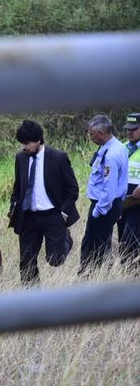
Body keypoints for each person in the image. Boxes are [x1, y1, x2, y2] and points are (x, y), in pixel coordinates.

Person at [8, 120, 79, 284]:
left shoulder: (58, 158)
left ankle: (65, 239)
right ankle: (31, 298)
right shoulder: (21, 158)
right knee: (26, 261)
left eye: (27, 143)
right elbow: (18, 186)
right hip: (29, 217)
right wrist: (13, 207)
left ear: (38, 140)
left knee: (56, 260)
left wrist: (64, 212)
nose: (23, 147)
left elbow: (72, 189)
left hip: (54, 215)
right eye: (22, 143)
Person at [79, 115, 129, 272]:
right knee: (98, 241)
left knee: (95, 243)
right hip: (110, 204)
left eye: (92, 134)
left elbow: (109, 187)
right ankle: (91, 271)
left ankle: (92, 275)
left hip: (104, 205)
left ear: (100, 133)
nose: (90, 138)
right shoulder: (116, 146)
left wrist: (98, 210)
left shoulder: (111, 156)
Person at [118, 113, 140, 262]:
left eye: (134, 129)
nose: (129, 132)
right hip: (123, 201)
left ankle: (130, 272)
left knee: (130, 239)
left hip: (138, 201)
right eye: (127, 129)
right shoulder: (122, 147)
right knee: (122, 237)